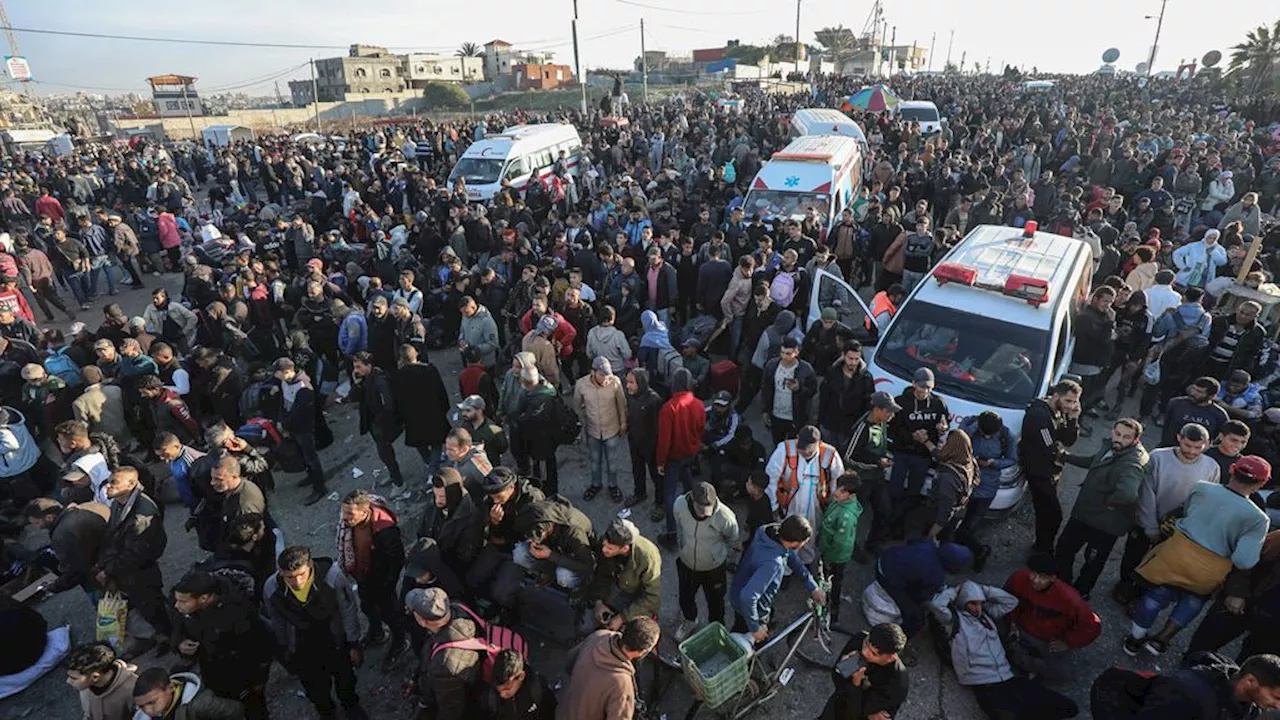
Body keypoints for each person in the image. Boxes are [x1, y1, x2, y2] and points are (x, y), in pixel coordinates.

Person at [1124, 456, 1270, 656]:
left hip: (1176, 552)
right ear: (1262, 483)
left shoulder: (1202, 488)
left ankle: (1135, 639)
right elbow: (1244, 560)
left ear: (1233, 470)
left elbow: (1186, 511)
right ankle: (1160, 641)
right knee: (1192, 602)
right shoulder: (1258, 518)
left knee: (1155, 596)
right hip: (1209, 569)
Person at [929, 580, 1079, 720]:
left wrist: (983, 591)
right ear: (962, 602)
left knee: (1070, 708)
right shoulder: (955, 621)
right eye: (973, 603)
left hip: (1010, 679)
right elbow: (937, 606)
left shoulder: (987, 616)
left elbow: (1011, 602)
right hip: (986, 686)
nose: (978, 608)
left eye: (981, 603)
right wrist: (955, 591)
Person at [263, 545, 368, 720]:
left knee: (346, 680)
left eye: (301, 575)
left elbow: (347, 609)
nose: (297, 582)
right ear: (280, 572)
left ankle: (351, 706)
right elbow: (277, 621)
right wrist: (285, 648)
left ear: (310, 564)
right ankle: (326, 712)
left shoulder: (331, 576)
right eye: (289, 577)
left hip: (334, 640)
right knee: (315, 690)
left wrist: (353, 643)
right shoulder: (272, 588)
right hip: (304, 647)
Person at [1119, 423, 1220, 597]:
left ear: (1208, 444)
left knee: (1160, 565)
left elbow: (1205, 500)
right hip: (1145, 523)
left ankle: (1141, 596)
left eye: (1198, 447)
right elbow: (1146, 493)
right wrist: (1150, 526)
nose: (1192, 451)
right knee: (1133, 558)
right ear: (1179, 438)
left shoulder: (1212, 467)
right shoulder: (1158, 457)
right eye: (1187, 445)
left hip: (1177, 531)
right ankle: (1124, 588)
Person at [1054, 418, 1149, 598]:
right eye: (1118, 434)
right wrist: (1066, 457)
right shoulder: (1113, 447)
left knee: (1093, 560)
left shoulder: (1131, 462)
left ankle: (1079, 594)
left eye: (1126, 437)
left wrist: (1107, 504)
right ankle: (1062, 585)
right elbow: (1095, 461)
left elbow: (1128, 494)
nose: (1120, 439)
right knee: (1065, 548)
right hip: (1087, 515)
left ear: (1135, 440)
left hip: (1105, 523)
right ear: (1112, 431)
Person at [170, 571, 273, 720]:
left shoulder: (239, 613)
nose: (177, 605)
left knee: (254, 710)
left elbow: (260, 648)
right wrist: (179, 642)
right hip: (212, 673)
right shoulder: (188, 607)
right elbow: (178, 626)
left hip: (242, 674)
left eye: (183, 602)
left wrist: (259, 680)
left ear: (204, 598)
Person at [95, 467, 173, 659]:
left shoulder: (140, 516)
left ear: (130, 484)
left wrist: (108, 570)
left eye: (114, 482)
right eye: (108, 481)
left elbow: (135, 554)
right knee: (148, 605)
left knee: (152, 606)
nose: (108, 486)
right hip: (129, 570)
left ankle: (171, 638)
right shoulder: (119, 504)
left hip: (140, 571)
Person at [1003, 554, 1102, 682]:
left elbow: (1092, 626)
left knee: (1062, 674)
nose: (1035, 580)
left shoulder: (1070, 599)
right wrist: (1012, 621)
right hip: (1018, 626)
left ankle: (1017, 657)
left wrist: (1068, 642)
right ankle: (1021, 660)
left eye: (1042, 577)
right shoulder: (1019, 578)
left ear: (1053, 578)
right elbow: (1006, 600)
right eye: (1033, 574)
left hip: (1046, 639)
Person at [337, 489, 407, 670]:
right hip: (364, 575)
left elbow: (396, 559)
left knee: (389, 612)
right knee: (367, 606)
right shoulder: (350, 524)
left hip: (382, 579)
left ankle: (400, 642)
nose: (344, 518)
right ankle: (376, 633)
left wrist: (388, 586)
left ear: (365, 511)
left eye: (350, 514)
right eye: (344, 512)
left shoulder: (385, 529)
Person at [1090, 652, 1280, 719]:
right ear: (1250, 681)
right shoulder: (1185, 691)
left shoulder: (1251, 707)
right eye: (1276, 697)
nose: (1278, 706)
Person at [731, 515, 827, 642]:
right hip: (749, 609)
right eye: (804, 542)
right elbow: (748, 597)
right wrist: (755, 628)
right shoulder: (773, 563)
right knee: (745, 643)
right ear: (794, 543)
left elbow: (790, 556)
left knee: (740, 628)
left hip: (738, 590)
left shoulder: (768, 532)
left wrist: (812, 585)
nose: (804, 544)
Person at [467, 468, 544, 617]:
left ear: (511, 488)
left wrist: (506, 539)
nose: (495, 500)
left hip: (520, 550)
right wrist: (494, 522)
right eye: (492, 496)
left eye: (498, 495)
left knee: (501, 594)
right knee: (473, 578)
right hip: (499, 545)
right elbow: (490, 533)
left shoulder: (532, 500)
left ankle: (509, 611)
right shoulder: (492, 500)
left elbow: (534, 536)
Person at [1019, 380, 1082, 554]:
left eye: (1075, 401)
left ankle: (1042, 546)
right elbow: (1049, 446)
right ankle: (1043, 550)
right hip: (1039, 471)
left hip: (1050, 470)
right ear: (1056, 396)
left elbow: (1068, 440)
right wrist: (1069, 457)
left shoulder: (1059, 411)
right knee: (1053, 515)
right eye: (1068, 401)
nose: (1072, 405)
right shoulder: (1039, 415)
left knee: (1047, 514)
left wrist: (1073, 419)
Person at [558, 616, 660, 720]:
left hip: (563, 712)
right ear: (642, 652)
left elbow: (569, 662)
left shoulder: (599, 636)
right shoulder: (622, 685)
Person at [403, 588, 483, 720]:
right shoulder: (459, 608)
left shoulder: (443, 665)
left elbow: (451, 709)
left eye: (414, 612)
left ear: (423, 621)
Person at [672, 481, 738, 640]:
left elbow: (732, 539)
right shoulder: (679, 504)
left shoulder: (725, 517)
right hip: (687, 563)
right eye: (700, 509)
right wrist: (683, 549)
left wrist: (718, 556)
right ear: (692, 499)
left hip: (714, 568)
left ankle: (716, 629)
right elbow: (679, 528)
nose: (703, 514)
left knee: (716, 602)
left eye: (707, 510)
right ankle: (690, 620)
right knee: (685, 597)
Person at [888, 368, 950, 535]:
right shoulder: (901, 401)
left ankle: (902, 525)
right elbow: (892, 429)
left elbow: (945, 422)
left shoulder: (938, 403)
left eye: (928, 388)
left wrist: (942, 428)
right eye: (922, 387)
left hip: (923, 455)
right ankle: (889, 521)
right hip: (902, 452)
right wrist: (911, 436)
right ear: (914, 384)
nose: (924, 391)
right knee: (894, 489)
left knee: (914, 492)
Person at [874, 540, 972, 638]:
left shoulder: (929, 544)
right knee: (917, 620)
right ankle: (896, 638)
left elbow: (910, 543)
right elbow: (921, 597)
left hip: (884, 559)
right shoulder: (936, 576)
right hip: (886, 578)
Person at [844, 391, 900, 561]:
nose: (891, 415)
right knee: (854, 517)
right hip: (862, 480)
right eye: (888, 411)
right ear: (877, 410)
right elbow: (850, 456)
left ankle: (873, 544)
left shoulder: (882, 423)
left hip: (877, 477)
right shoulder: (862, 428)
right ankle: (851, 547)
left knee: (884, 511)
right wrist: (877, 462)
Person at [581, 518, 661, 635]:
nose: (604, 550)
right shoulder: (607, 541)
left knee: (634, 634)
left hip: (636, 596)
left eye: (610, 548)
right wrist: (598, 602)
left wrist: (622, 618)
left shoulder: (647, 558)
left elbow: (652, 598)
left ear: (625, 548)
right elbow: (601, 574)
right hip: (615, 586)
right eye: (604, 545)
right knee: (587, 625)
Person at [817, 623, 909, 720]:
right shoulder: (860, 640)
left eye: (873, 653)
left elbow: (854, 713)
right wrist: (843, 667)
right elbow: (836, 677)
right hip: (835, 710)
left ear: (890, 658)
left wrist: (856, 683)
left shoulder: (897, 684)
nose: (864, 652)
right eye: (866, 644)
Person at [655, 368, 704, 544]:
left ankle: (672, 532)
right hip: (690, 453)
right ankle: (697, 513)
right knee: (687, 479)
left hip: (674, 457)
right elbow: (700, 430)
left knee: (669, 494)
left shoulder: (669, 408)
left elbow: (664, 440)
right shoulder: (698, 404)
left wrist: (660, 462)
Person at [24, 498, 110, 596]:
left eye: (37, 523)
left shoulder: (61, 535)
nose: (38, 527)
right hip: (111, 564)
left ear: (49, 517)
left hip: (97, 579)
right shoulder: (83, 510)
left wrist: (55, 586)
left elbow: (74, 570)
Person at [512, 495, 597, 593]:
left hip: (575, 557)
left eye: (534, 537)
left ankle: (580, 587)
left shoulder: (574, 531)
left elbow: (587, 566)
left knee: (564, 575)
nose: (531, 540)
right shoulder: (539, 514)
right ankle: (549, 574)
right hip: (554, 549)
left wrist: (550, 555)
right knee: (520, 553)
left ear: (547, 529)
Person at [272, 357, 327, 505]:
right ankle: (310, 476)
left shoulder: (303, 386)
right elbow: (283, 403)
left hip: (303, 428)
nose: (276, 377)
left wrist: (285, 425)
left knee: (311, 457)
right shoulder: (285, 382)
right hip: (291, 427)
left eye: (278, 373)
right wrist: (280, 420)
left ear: (288, 371)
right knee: (302, 454)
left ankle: (320, 487)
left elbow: (300, 412)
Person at [575, 356, 628, 503]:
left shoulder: (615, 382)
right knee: (594, 461)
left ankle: (613, 486)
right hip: (592, 431)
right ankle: (595, 484)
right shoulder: (581, 385)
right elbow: (577, 406)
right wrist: (582, 422)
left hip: (612, 429)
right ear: (593, 372)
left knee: (612, 462)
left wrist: (623, 423)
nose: (605, 378)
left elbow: (621, 404)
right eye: (602, 375)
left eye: (608, 375)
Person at [351, 351, 404, 489]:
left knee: (386, 454)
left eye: (358, 366)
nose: (356, 370)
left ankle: (399, 484)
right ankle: (394, 476)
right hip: (373, 423)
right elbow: (354, 397)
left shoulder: (379, 380)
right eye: (355, 367)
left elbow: (388, 404)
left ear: (368, 365)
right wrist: (356, 384)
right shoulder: (364, 379)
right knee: (384, 454)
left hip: (381, 424)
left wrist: (380, 421)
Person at [196, 456, 268, 553]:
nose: (212, 483)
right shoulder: (236, 487)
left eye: (218, 479)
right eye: (212, 478)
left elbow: (246, 540)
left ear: (234, 476)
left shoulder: (243, 505)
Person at [819, 472, 864, 625]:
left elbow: (840, 542)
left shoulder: (846, 516)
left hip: (835, 556)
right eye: (838, 488)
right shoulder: (840, 502)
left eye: (842, 491)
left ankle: (831, 614)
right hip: (829, 551)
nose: (837, 492)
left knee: (832, 585)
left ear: (851, 495)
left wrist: (828, 557)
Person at [818, 341, 875, 452]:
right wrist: (820, 422)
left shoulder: (866, 378)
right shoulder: (833, 373)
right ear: (843, 356)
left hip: (850, 428)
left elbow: (868, 406)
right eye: (850, 358)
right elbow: (823, 398)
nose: (853, 363)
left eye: (856, 359)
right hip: (830, 424)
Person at [761, 336, 818, 446]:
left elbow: (812, 390)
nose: (784, 356)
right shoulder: (772, 366)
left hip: (795, 417)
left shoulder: (805, 369)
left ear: (796, 352)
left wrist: (799, 389)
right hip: (776, 415)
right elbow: (765, 389)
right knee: (778, 444)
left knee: (794, 446)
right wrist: (765, 410)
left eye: (788, 354)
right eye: (782, 353)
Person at [130, 666, 245, 720]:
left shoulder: (201, 704)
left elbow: (236, 711)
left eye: (152, 702)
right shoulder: (142, 717)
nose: (148, 710)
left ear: (170, 688)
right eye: (141, 706)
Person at [623, 368, 663, 518]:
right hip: (634, 442)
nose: (628, 386)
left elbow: (658, 428)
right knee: (637, 470)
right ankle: (640, 493)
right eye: (627, 382)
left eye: (631, 382)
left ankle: (661, 504)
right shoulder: (632, 396)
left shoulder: (654, 400)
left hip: (651, 447)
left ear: (641, 382)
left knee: (657, 477)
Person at [64, 642, 139, 720]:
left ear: (95, 677)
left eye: (73, 678)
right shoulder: (86, 685)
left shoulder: (132, 690)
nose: (68, 681)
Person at [480, 649, 558, 720]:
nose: (502, 695)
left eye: (507, 689)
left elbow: (551, 711)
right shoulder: (491, 697)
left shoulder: (538, 691)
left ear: (521, 676)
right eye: (498, 690)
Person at [73, 365, 134, 449]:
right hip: (124, 434)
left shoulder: (79, 402)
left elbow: (84, 428)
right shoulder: (116, 390)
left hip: (104, 443)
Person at [1161, 377, 1229, 447]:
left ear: (1212, 396)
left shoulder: (1219, 415)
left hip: (1196, 453)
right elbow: (1166, 426)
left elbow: (1220, 438)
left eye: (1199, 392)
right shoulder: (1175, 403)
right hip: (1169, 448)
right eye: (1193, 389)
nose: (1193, 393)